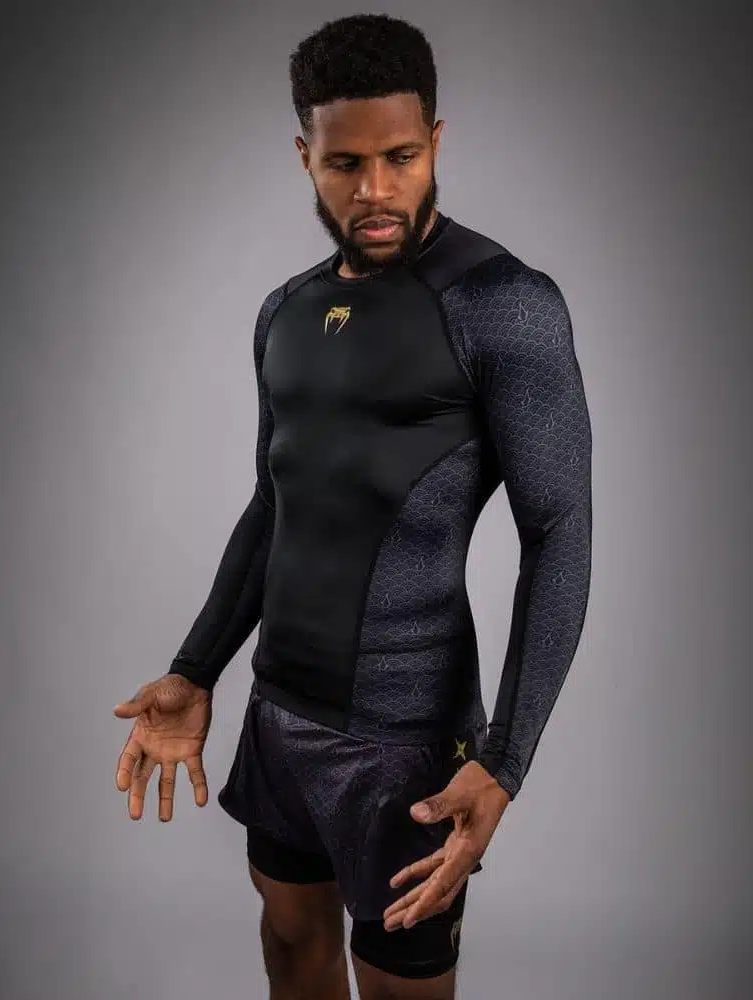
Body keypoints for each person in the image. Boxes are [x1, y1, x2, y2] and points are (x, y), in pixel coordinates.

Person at [114, 13, 592, 1000]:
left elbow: (558, 532)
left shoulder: (501, 303)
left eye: (400, 157)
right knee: (291, 949)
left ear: (436, 142)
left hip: (404, 741)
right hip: (280, 712)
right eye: (344, 164)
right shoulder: (286, 311)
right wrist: (196, 668)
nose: (374, 190)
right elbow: (274, 502)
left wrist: (504, 761)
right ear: (305, 156)